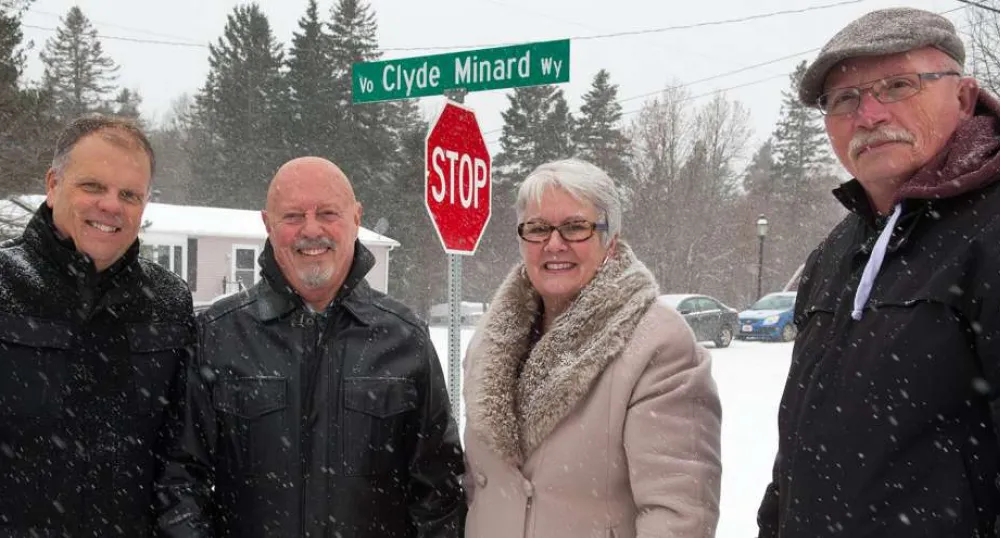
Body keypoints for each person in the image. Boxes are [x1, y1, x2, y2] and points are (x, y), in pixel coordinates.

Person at [757, 7, 1000, 537]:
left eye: (897, 85)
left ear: (962, 96)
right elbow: (799, 443)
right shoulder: (836, 251)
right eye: (843, 99)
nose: (866, 116)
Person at [156, 157, 466, 537]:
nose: (311, 229)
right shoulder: (217, 335)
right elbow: (181, 483)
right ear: (268, 225)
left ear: (356, 218)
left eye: (328, 213)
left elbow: (439, 493)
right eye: (292, 216)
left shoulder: (404, 338)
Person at [461, 158, 722, 538]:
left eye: (575, 227)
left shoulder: (658, 345)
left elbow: (679, 516)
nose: (554, 244)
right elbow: (477, 488)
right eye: (537, 228)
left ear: (610, 241)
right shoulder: (491, 340)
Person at [0, 115, 195, 536]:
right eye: (93, 186)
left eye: (129, 194)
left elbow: (180, 459)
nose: (110, 206)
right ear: (53, 185)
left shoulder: (168, 304)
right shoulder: (4, 286)